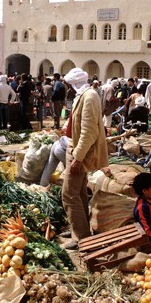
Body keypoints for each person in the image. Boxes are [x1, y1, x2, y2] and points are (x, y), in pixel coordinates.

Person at [61, 68, 109, 250]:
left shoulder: (89, 97)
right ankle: (78, 228)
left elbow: (90, 131)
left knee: (68, 194)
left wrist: (78, 157)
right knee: (79, 191)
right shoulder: (84, 95)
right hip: (74, 147)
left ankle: (81, 237)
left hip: (79, 151)